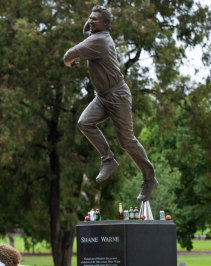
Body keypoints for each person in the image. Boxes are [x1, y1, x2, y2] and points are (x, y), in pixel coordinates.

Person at [64, 5, 158, 202]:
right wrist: (95, 14)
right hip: (102, 96)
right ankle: (108, 159)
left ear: (105, 25)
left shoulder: (100, 41)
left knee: (127, 140)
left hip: (118, 96)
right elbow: (86, 30)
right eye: (89, 18)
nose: (90, 21)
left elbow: (68, 55)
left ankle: (150, 178)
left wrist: (69, 62)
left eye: (95, 19)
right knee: (84, 123)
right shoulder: (95, 34)